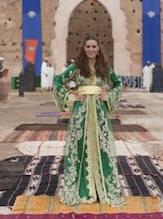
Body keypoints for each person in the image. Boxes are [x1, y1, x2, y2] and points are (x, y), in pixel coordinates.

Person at [53, 35, 125, 207]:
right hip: (82, 112)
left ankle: (102, 188)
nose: (91, 49)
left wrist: (108, 96)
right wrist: (71, 97)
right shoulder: (76, 68)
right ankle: (81, 189)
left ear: (98, 48)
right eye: (88, 46)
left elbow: (118, 84)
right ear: (83, 49)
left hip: (99, 113)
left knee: (102, 146)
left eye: (94, 46)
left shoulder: (105, 68)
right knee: (79, 146)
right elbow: (58, 81)